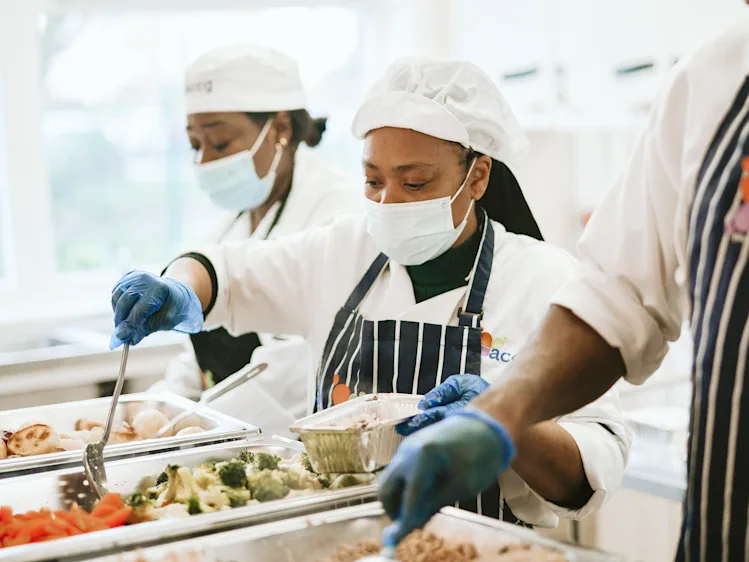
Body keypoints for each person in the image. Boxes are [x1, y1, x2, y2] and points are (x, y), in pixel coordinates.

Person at [109, 57, 630, 528]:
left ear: (477, 176)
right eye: (373, 180)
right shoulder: (345, 250)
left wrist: (504, 424)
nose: (390, 202)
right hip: (338, 543)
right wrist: (178, 286)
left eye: (417, 182)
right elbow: (228, 272)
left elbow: (596, 462)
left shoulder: (545, 280)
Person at [376, 15, 749, 561]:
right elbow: (615, 296)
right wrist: (495, 417)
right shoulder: (716, 81)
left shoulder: (536, 268)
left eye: (414, 182)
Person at [153, 45, 362, 437]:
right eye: (195, 145)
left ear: (281, 129)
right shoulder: (228, 227)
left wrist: (197, 423)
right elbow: (195, 356)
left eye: (220, 144)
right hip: (228, 433)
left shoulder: (339, 213)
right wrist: (158, 408)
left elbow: (301, 365)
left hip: (295, 440)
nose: (204, 163)